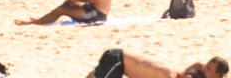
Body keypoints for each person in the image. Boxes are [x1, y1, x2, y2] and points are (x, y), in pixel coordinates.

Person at [89, 50, 228, 78]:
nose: (204, 68)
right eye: (206, 65)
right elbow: (193, 68)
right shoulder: (171, 75)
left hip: (118, 61)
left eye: (208, 68)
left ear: (217, 75)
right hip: (117, 61)